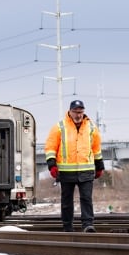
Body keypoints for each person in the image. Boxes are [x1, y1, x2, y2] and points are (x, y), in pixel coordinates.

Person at [44, 99, 104, 232]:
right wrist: (52, 165)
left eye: (81, 112)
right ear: (70, 112)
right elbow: (50, 148)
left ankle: (88, 225)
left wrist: (99, 166)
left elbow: (96, 148)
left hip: (86, 170)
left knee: (86, 198)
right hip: (66, 172)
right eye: (76, 112)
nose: (78, 115)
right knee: (66, 201)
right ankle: (67, 226)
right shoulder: (59, 127)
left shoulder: (92, 127)